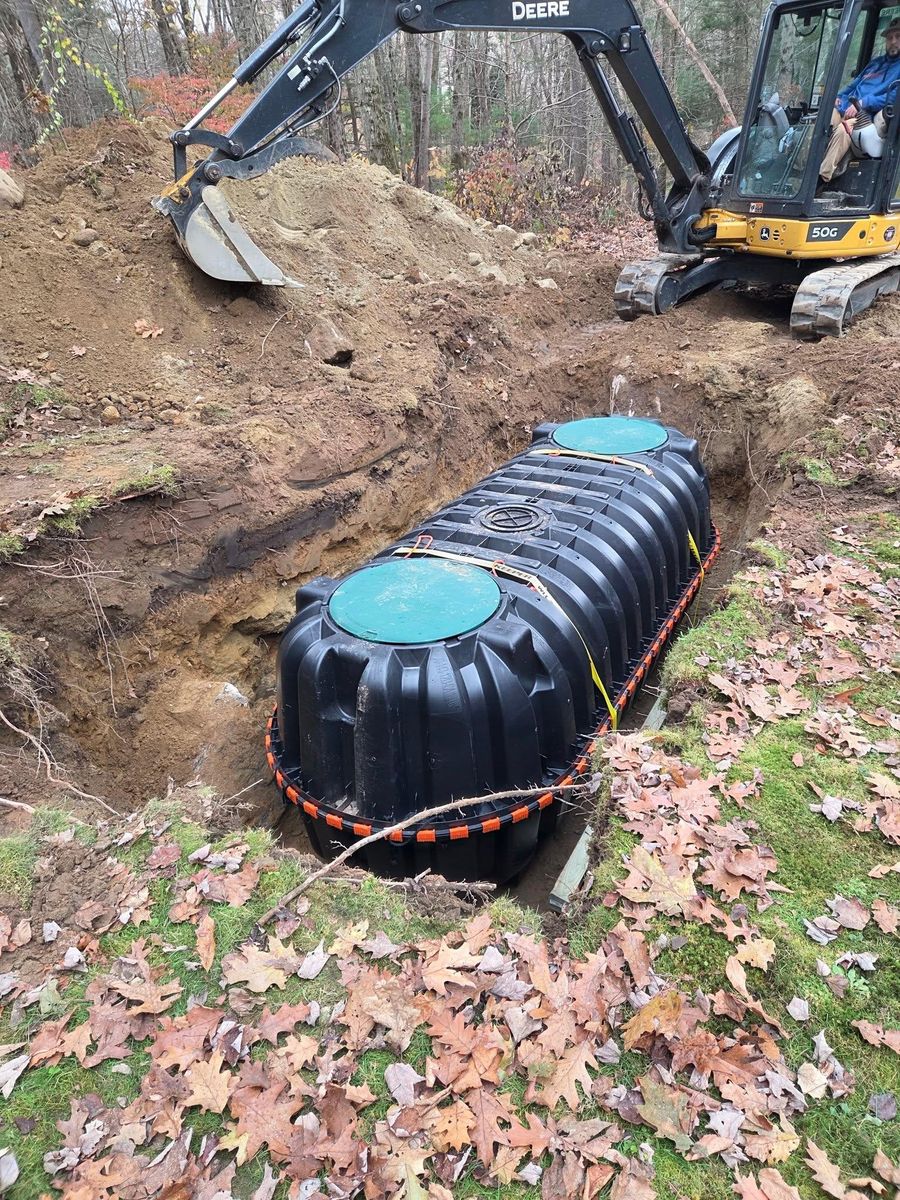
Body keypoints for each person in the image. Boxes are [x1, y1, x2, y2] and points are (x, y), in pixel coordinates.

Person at [820, 16, 900, 182]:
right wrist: (838, 98)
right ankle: (801, 170)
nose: (893, 41)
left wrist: (864, 103)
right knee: (823, 117)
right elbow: (852, 86)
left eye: (898, 37)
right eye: (890, 38)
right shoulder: (875, 64)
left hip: (867, 117)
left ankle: (821, 178)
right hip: (849, 108)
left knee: (843, 130)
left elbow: (893, 98)